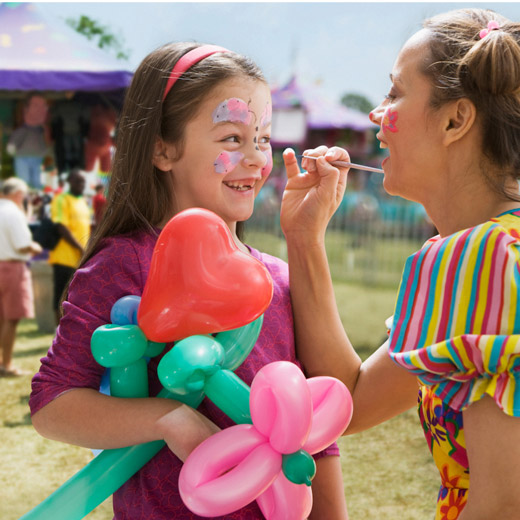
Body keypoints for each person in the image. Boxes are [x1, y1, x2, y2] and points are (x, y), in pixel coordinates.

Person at [29, 42, 347, 519]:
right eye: (232, 139)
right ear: (163, 148)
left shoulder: (279, 279)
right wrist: (168, 419)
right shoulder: (127, 263)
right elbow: (52, 404)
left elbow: (308, 428)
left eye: (261, 138)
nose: (258, 160)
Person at [280, 8, 520, 520]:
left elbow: (503, 504)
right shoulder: (493, 252)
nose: (375, 114)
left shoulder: (481, 258)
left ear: (455, 120)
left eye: (393, 93)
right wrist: (305, 239)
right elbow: (354, 400)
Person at [0, 178, 42, 376]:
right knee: (12, 318)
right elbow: (22, 244)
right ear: (19, 195)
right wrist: (36, 247)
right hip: (12, 267)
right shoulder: (12, 212)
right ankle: (6, 364)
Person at [47, 168, 91, 325]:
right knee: (61, 297)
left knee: (75, 298)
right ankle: (58, 332)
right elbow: (61, 226)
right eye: (78, 181)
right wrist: (81, 248)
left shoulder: (83, 202)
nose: (81, 184)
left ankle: (70, 329)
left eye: (83, 182)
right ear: (69, 182)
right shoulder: (61, 199)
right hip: (63, 257)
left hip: (80, 259)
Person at [7, 94, 50, 190]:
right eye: (36, 106)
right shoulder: (22, 131)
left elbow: (47, 145)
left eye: (44, 107)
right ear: (26, 110)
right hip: (23, 158)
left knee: (36, 181)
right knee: (23, 182)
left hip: (37, 159)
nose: (41, 110)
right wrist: (16, 154)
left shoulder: (42, 131)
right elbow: (11, 147)